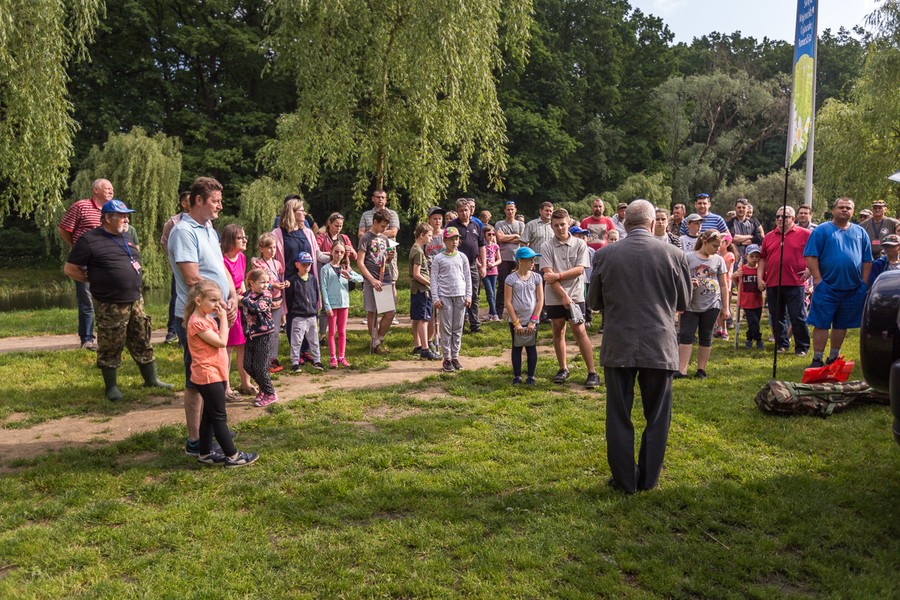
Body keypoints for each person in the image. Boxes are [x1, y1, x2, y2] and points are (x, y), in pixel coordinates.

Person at [587, 199, 691, 494]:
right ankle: (648, 479)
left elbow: (593, 302)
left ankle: (624, 480)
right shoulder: (675, 254)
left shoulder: (606, 255)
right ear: (652, 222)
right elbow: (684, 301)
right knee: (657, 416)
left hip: (619, 343)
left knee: (618, 415)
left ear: (625, 222)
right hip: (659, 344)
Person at [63, 199, 173, 400]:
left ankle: (151, 379)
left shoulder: (127, 236)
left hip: (135, 300)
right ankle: (111, 387)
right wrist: (95, 280)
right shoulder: (89, 240)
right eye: (121, 216)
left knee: (141, 337)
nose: (126, 219)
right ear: (107, 218)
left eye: (126, 215)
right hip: (109, 303)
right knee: (111, 342)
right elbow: (70, 269)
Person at [167, 176, 238, 457]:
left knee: (213, 376)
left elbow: (220, 268)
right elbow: (192, 277)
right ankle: (196, 440)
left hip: (215, 311)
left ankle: (209, 437)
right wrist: (220, 303)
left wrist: (232, 298)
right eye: (215, 201)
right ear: (199, 201)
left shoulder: (208, 228)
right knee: (197, 380)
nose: (220, 206)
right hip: (196, 317)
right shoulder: (185, 232)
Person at [184, 280, 259, 467]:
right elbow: (221, 342)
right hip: (208, 376)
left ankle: (205, 452)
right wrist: (224, 317)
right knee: (219, 417)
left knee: (209, 416)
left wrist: (220, 316)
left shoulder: (207, 318)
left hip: (214, 373)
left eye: (220, 299)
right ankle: (233, 456)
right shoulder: (197, 324)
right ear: (199, 300)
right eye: (213, 300)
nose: (218, 304)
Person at [804, 197, 873, 368]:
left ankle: (833, 357)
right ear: (833, 210)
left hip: (853, 288)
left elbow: (867, 260)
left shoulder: (860, 232)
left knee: (842, 324)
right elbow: (811, 256)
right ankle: (817, 358)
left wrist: (864, 283)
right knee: (821, 323)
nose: (844, 210)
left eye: (848, 208)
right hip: (827, 287)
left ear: (853, 211)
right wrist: (818, 280)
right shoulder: (822, 230)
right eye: (841, 207)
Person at [541, 208, 599, 389]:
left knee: (580, 331)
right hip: (555, 295)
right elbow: (546, 274)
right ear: (551, 226)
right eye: (556, 225)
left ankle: (592, 372)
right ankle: (563, 368)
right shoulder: (546, 246)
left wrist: (557, 277)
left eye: (563, 224)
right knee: (558, 330)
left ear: (569, 223)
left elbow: (580, 270)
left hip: (576, 295)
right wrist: (563, 294)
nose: (560, 228)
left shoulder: (580, 244)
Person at [58, 178, 115, 350]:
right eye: (107, 188)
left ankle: (110, 337)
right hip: (84, 262)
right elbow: (63, 228)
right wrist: (77, 247)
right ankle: (87, 339)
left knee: (109, 299)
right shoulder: (81, 206)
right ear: (96, 190)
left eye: (112, 189)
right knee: (87, 300)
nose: (111, 191)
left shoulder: (112, 209)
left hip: (106, 262)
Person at [274, 197, 328, 363]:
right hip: (291, 282)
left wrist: (335, 257)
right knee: (294, 316)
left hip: (309, 280)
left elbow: (317, 255)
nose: (305, 213)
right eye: (301, 210)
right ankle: (296, 353)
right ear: (292, 212)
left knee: (310, 313)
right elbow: (272, 256)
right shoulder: (278, 233)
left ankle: (306, 351)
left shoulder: (307, 232)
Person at [675, 229, 730, 379]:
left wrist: (725, 307)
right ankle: (682, 370)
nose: (717, 249)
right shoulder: (688, 258)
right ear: (704, 243)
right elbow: (680, 280)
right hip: (691, 304)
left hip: (712, 304)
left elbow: (724, 285)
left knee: (706, 336)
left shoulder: (718, 260)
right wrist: (689, 283)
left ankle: (701, 369)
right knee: (686, 335)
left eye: (719, 246)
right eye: (714, 245)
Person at [757, 206, 811, 355]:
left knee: (797, 315)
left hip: (795, 282)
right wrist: (760, 278)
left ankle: (802, 347)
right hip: (773, 282)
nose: (780, 219)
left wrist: (810, 270)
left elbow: (816, 254)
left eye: (784, 217)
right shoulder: (769, 236)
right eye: (778, 216)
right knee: (776, 315)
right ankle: (781, 344)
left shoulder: (805, 234)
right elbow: (762, 259)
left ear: (793, 219)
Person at [221, 224, 256, 399]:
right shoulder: (221, 260)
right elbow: (227, 289)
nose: (245, 240)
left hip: (241, 304)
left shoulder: (241, 257)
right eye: (240, 237)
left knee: (244, 346)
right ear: (230, 240)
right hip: (229, 306)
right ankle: (225, 387)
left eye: (245, 236)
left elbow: (241, 284)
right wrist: (249, 301)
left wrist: (247, 299)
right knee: (228, 348)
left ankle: (245, 382)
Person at [430, 227, 472, 372]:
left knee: (457, 327)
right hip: (445, 296)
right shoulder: (438, 258)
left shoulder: (462, 257)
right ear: (445, 240)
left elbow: (467, 277)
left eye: (456, 239)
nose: (454, 242)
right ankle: (446, 358)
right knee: (446, 328)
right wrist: (435, 298)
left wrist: (468, 295)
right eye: (451, 239)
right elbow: (433, 279)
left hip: (460, 295)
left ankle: (455, 356)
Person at [357, 209, 397, 354]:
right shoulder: (365, 238)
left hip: (384, 278)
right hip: (371, 279)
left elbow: (384, 258)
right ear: (375, 222)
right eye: (382, 226)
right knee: (372, 312)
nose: (385, 229)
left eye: (387, 227)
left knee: (390, 312)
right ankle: (374, 342)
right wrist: (371, 280)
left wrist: (390, 257)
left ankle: (379, 338)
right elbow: (360, 262)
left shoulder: (385, 239)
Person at [358, 189, 400, 321]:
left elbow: (393, 233)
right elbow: (361, 233)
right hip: (370, 268)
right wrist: (371, 234)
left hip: (385, 259)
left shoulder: (392, 214)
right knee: (372, 310)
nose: (380, 199)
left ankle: (388, 311)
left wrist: (378, 234)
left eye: (383, 197)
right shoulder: (366, 215)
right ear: (373, 198)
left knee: (391, 283)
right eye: (378, 197)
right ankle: (374, 337)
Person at [504, 246, 544, 385]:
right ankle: (517, 376)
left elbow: (540, 300)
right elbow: (508, 302)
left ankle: (531, 376)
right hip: (517, 320)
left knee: (531, 347)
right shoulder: (510, 279)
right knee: (517, 347)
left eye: (533, 259)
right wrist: (516, 322)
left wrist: (534, 320)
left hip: (532, 319)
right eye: (530, 260)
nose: (533, 262)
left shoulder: (537, 277)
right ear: (520, 261)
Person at [446, 197, 486, 333]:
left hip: (473, 264)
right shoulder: (452, 225)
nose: (464, 213)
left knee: (474, 294)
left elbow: (482, 246)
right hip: (456, 265)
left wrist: (484, 265)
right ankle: (459, 325)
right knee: (459, 295)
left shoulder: (476, 225)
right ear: (457, 212)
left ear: (470, 211)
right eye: (461, 211)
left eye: (466, 210)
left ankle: (475, 325)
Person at [250, 233, 289, 373]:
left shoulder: (277, 263)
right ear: (261, 248)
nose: (272, 250)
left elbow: (280, 277)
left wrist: (285, 283)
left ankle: (273, 357)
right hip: (263, 302)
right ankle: (262, 358)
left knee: (276, 331)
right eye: (269, 248)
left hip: (277, 301)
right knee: (264, 330)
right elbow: (260, 283)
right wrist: (273, 286)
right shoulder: (258, 264)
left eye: (274, 247)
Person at [320, 243, 363, 368]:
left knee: (342, 331)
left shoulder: (345, 267)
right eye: (336, 251)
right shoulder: (325, 269)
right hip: (332, 304)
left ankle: (342, 356)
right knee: (332, 331)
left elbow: (360, 278)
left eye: (341, 252)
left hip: (344, 303)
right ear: (331, 252)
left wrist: (350, 276)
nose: (339, 254)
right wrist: (327, 306)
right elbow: (323, 288)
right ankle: (333, 357)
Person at [241, 268, 278, 407]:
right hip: (251, 335)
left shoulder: (267, 295)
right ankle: (264, 388)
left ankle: (270, 393)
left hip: (264, 335)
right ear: (251, 283)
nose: (266, 285)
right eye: (262, 282)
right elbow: (241, 302)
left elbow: (257, 307)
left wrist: (242, 300)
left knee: (260, 367)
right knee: (247, 365)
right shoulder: (247, 295)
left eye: (267, 282)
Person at [160, 191, 192, 344]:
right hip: (179, 267)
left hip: (195, 268)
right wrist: (177, 259)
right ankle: (172, 330)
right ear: (183, 204)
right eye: (189, 200)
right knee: (176, 297)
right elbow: (165, 242)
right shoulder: (173, 222)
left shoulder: (205, 222)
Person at [286, 252, 324, 371]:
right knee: (296, 341)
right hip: (298, 316)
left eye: (309, 264)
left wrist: (314, 308)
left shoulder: (313, 279)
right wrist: (295, 310)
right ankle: (295, 362)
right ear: (297, 264)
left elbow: (316, 295)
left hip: (312, 315)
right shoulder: (293, 280)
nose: (306, 267)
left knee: (314, 340)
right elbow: (289, 298)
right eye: (304, 264)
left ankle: (317, 360)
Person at [409, 223, 437, 360]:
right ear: (422, 235)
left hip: (416, 289)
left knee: (416, 318)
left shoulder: (414, 248)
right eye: (429, 236)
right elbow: (416, 274)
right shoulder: (419, 251)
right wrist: (431, 283)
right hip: (422, 290)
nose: (431, 239)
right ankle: (425, 349)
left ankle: (418, 346)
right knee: (423, 319)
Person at [494, 201, 525, 320]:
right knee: (503, 285)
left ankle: (518, 312)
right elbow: (500, 238)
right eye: (508, 209)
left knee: (519, 284)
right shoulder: (499, 224)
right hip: (504, 258)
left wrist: (509, 238)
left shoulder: (521, 224)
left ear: (515, 210)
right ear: (505, 210)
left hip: (518, 258)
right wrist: (515, 236)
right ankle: (499, 313)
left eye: (512, 209)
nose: (510, 211)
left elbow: (522, 240)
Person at [424, 206, 446, 354]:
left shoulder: (446, 235)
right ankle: (430, 338)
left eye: (439, 218)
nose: (437, 221)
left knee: (444, 308)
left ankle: (442, 336)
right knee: (431, 310)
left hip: (444, 277)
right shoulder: (426, 236)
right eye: (434, 218)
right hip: (429, 276)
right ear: (429, 220)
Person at [733, 244, 764, 349]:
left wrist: (763, 286)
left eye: (757, 256)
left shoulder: (760, 270)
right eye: (752, 256)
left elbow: (763, 284)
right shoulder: (742, 269)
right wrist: (735, 276)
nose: (754, 259)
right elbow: (735, 281)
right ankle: (759, 340)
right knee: (753, 322)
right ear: (746, 256)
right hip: (746, 302)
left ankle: (749, 339)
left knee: (755, 322)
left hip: (758, 301)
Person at [482, 225, 502, 321]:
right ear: (484, 235)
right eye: (489, 234)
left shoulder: (495, 246)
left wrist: (493, 264)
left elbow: (499, 259)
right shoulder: (481, 246)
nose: (491, 236)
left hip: (494, 271)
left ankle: (490, 313)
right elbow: (477, 259)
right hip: (485, 271)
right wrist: (482, 266)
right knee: (489, 292)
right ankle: (495, 314)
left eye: (493, 234)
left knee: (492, 292)